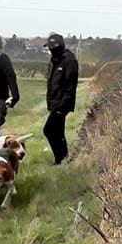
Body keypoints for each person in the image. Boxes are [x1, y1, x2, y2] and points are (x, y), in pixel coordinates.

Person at [43, 33, 78, 165]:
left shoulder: (69, 60)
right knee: (58, 131)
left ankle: (60, 158)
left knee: (49, 130)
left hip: (62, 103)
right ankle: (64, 158)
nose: (49, 51)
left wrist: (61, 106)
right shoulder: (54, 60)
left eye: (51, 48)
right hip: (55, 101)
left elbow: (70, 86)